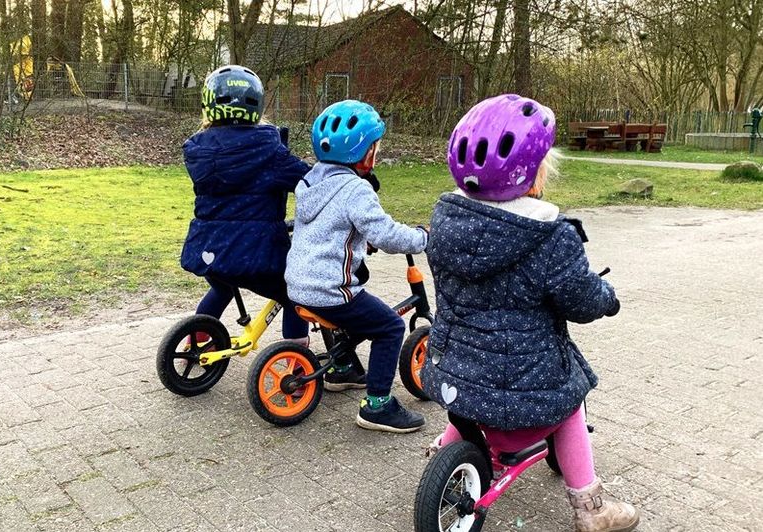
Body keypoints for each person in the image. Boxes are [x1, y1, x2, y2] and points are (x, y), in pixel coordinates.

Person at [421, 94, 637, 531]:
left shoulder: (445, 225)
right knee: (570, 402)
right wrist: (606, 297)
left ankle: (444, 450)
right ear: (535, 174)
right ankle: (591, 509)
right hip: (526, 397)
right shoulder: (552, 239)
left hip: (455, 379)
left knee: (473, 400)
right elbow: (582, 301)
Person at [285, 100, 429, 433]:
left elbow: (331, 228)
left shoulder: (309, 183)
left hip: (298, 286)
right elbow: (388, 234)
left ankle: (343, 367)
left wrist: (364, 240)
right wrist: (422, 237)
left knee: (359, 312)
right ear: (366, 153)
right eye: (375, 147)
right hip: (330, 290)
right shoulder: (356, 188)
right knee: (389, 327)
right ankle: (378, 406)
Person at [180, 65, 310, 345]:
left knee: (222, 287)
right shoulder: (270, 153)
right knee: (295, 293)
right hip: (254, 254)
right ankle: (297, 364)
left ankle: (196, 340)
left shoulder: (199, 152)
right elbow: (309, 181)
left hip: (209, 250)